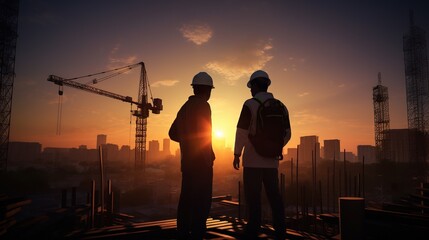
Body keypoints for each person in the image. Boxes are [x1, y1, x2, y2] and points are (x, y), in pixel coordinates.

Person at [233, 70, 291, 240]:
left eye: (251, 86)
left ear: (257, 85)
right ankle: (280, 229)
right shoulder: (281, 106)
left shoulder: (250, 104)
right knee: (274, 195)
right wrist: (272, 148)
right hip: (272, 162)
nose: (250, 90)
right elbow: (287, 134)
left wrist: (237, 153)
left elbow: (241, 132)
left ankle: (253, 229)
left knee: (253, 196)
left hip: (252, 161)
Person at [169, 72, 216, 240]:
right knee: (202, 201)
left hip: (187, 163)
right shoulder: (204, 105)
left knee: (186, 198)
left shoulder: (185, 107)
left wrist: (187, 139)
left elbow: (172, 133)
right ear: (207, 90)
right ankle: (197, 233)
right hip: (201, 162)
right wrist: (207, 157)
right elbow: (205, 133)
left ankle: (182, 231)